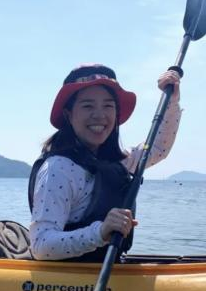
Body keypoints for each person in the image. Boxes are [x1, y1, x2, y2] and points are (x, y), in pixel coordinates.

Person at [28, 63, 181, 262]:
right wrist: (100, 233)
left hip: (109, 271)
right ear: (68, 114)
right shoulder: (58, 169)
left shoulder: (119, 162)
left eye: (108, 105)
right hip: (70, 281)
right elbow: (41, 245)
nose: (99, 115)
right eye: (88, 106)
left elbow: (159, 148)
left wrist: (172, 100)